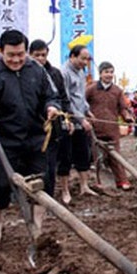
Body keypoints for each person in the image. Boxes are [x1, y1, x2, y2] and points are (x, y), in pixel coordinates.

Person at [0, 29, 60, 245]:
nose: (16, 59)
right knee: (2, 184)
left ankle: (37, 226)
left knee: (42, 181)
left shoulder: (37, 70)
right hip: (6, 142)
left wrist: (51, 108)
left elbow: (52, 96)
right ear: (1, 52)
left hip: (36, 137)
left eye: (20, 54)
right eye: (11, 55)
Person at [29, 38, 72, 199]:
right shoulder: (24, 73)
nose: (40, 58)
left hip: (51, 128)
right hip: (30, 127)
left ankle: (49, 196)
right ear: (29, 54)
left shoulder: (54, 74)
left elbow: (62, 98)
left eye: (43, 55)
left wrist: (67, 118)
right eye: (36, 55)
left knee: (51, 163)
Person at [86, 61, 135, 190]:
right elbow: (83, 104)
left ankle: (122, 181)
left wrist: (127, 117)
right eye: (106, 72)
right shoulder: (91, 89)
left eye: (111, 72)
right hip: (95, 129)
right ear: (100, 73)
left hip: (112, 129)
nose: (109, 75)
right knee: (98, 158)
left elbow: (123, 108)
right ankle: (101, 182)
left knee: (116, 156)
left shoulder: (117, 91)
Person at [58, 44, 97, 204]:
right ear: (72, 57)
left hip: (81, 120)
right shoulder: (63, 73)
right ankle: (65, 190)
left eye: (87, 59)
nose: (85, 62)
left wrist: (87, 111)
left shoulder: (81, 73)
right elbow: (65, 100)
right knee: (65, 157)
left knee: (83, 154)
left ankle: (84, 186)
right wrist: (80, 119)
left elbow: (80, 96)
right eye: (82, 58)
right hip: (67, 122)